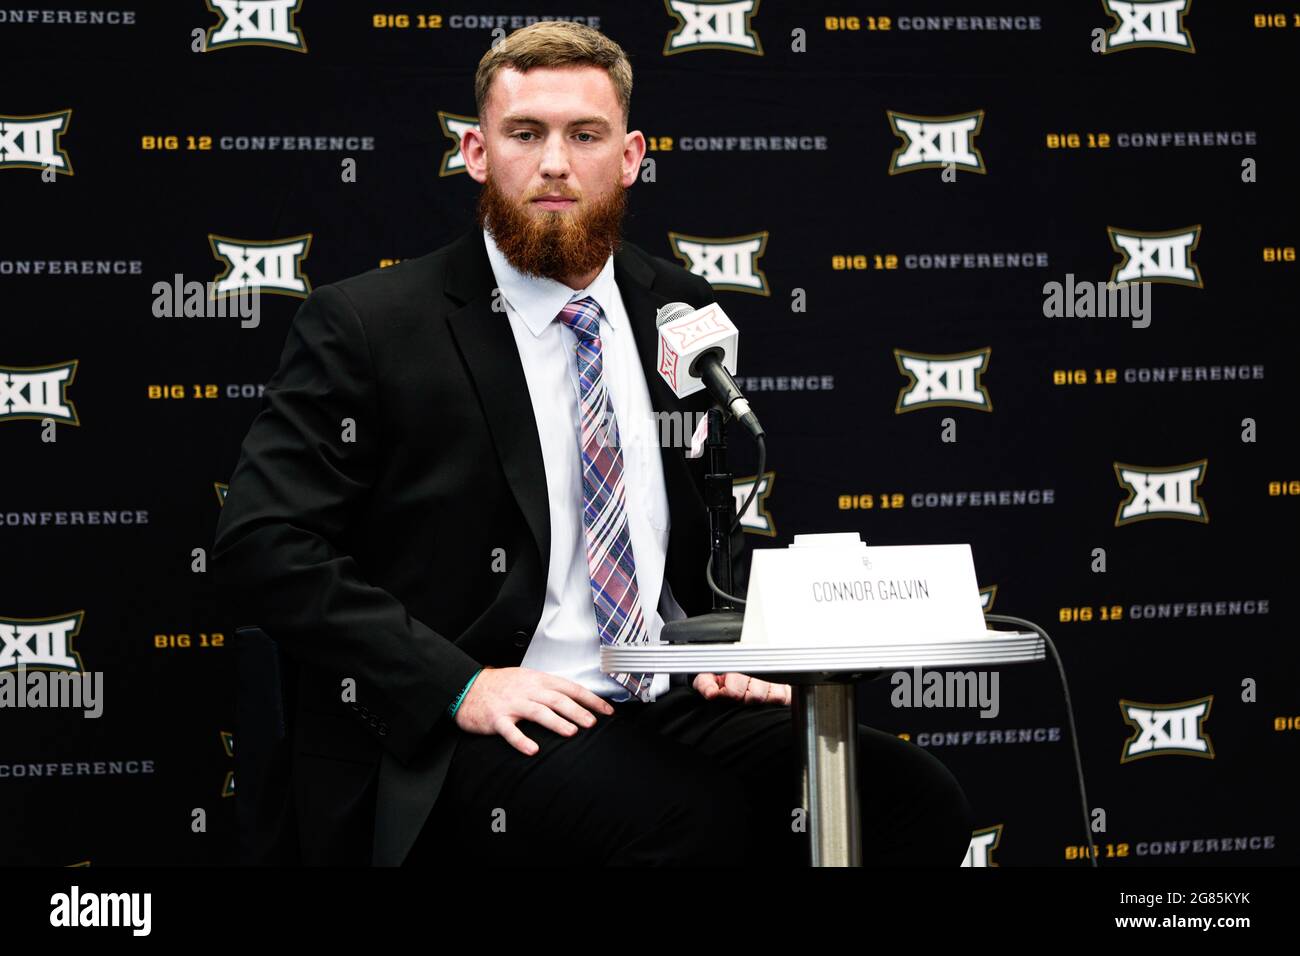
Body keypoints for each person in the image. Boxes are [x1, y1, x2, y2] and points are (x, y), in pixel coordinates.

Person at [213, 20, 973, 867]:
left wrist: (733, 642)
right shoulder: (370, 325)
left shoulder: (676, 308)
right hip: (488, 716)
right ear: (474, 151)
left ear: (632, 154)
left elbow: (712, 524)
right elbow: (262, 545)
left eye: (585, 135)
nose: (554, 163)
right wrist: (457, 683)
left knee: (910, 798)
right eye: (525, 133)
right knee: (695, 821)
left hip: (663, 696)